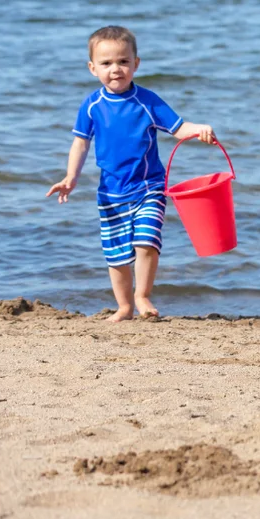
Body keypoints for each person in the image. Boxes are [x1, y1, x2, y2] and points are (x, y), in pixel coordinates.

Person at [46, 26, 217, 321]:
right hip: (111, 193)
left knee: (147, 242)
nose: (116, 69)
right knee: (116, 256)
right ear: (92, 68)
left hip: (149, 187)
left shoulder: (148, 101)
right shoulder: (92, 106)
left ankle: (143, 296)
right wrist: (71, 176)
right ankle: (124, 305)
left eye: (123, 62)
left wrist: (199, 129)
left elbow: (178, 129)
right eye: (107, 63)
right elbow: (81, 143)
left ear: (136, 64)